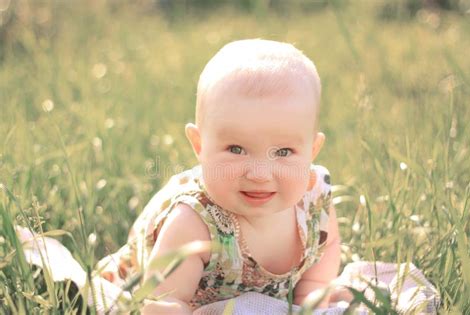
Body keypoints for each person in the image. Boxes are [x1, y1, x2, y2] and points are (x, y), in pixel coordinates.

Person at [98, 39, 341, 314]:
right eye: (236, 149)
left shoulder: (314, 202)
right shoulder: (193, 223)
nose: (260, 174)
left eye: (284, 151)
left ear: (312, 150)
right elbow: (162, 302)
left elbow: (328, 244)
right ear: (199, 146)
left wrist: (311, 293)